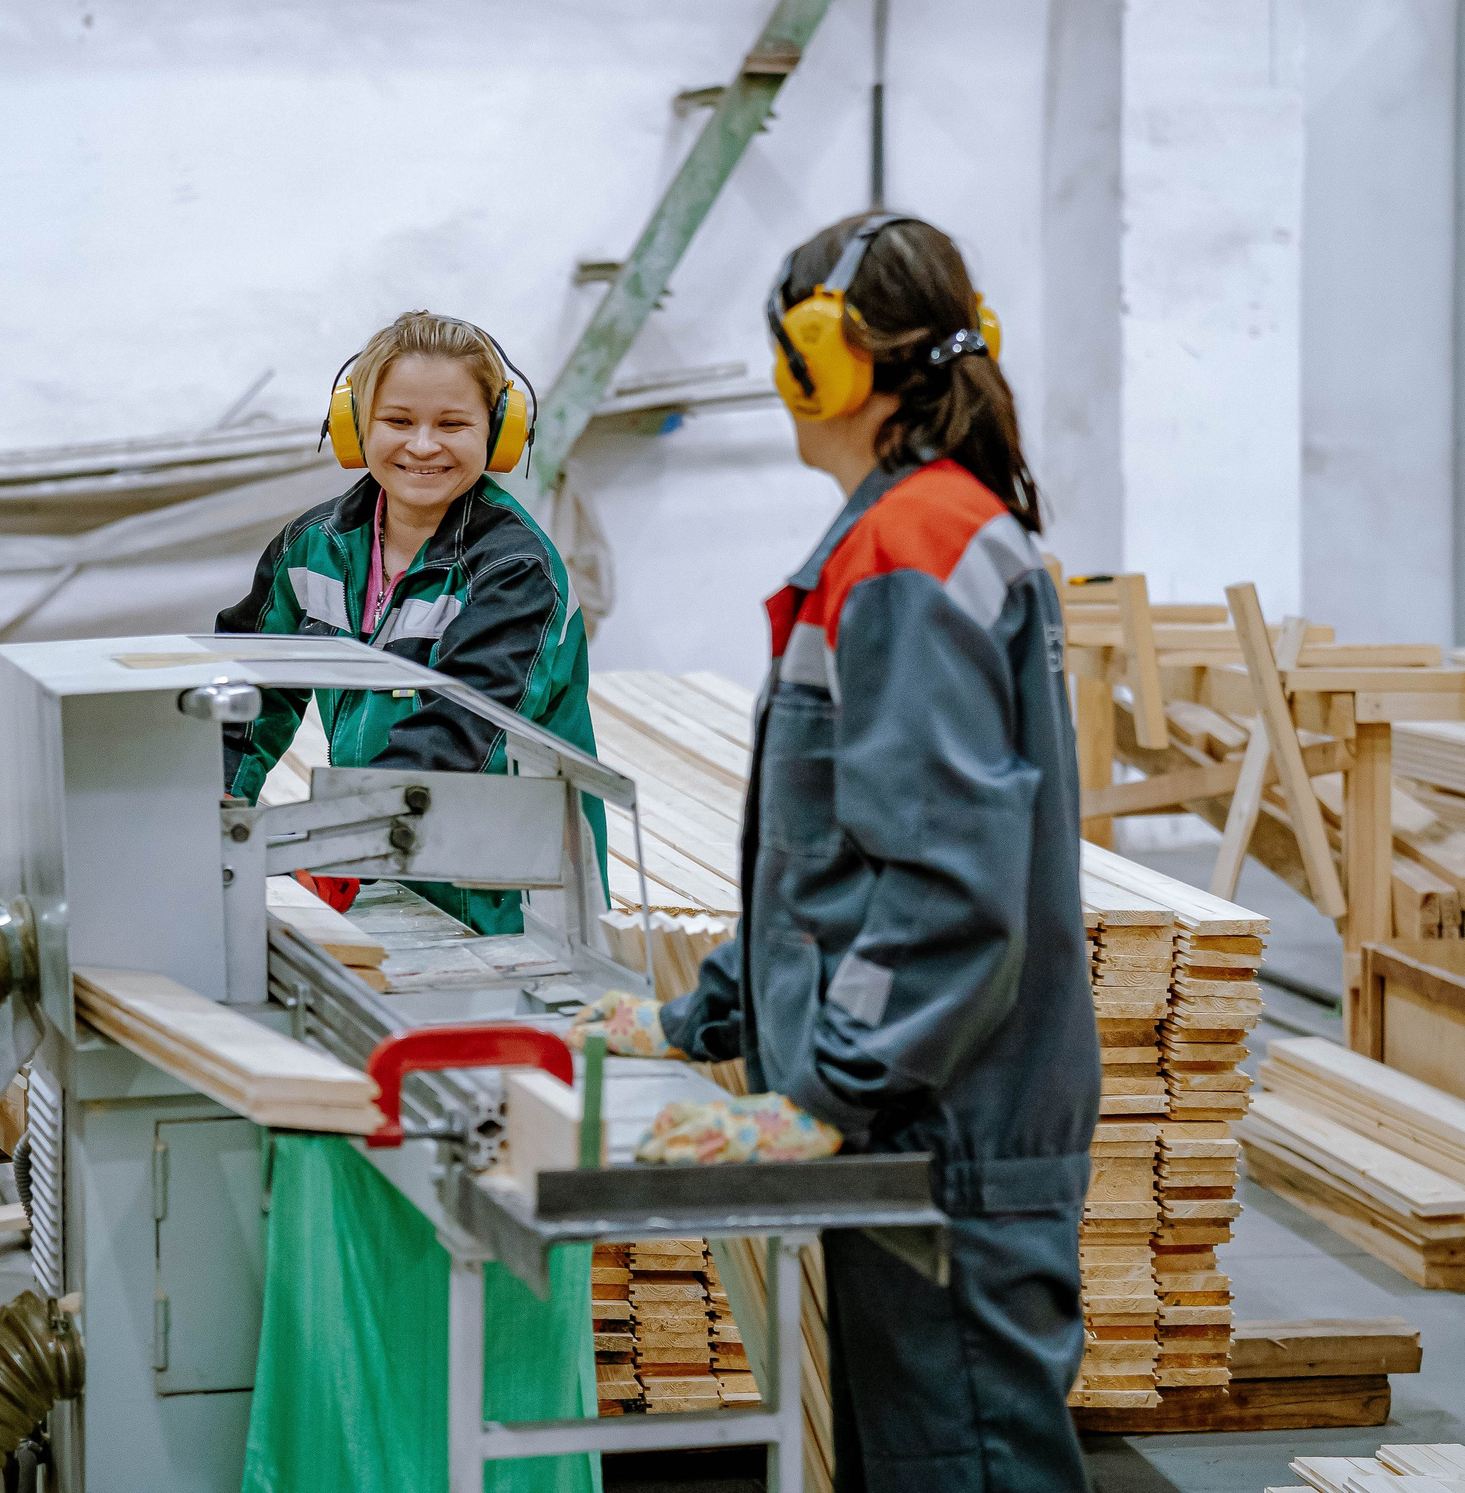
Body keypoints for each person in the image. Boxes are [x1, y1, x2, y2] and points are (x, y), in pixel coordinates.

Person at [572, 214, 1101, 1492]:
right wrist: (703, 1018)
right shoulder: (910, 533)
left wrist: (826, 1094)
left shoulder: (914, 548)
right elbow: (834, 858)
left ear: (829, 361)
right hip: (924, 1111)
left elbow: (940, 892)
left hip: (944, 1126)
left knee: (964, 1465)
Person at [215, 309, 603, 932]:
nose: (423, 445)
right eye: (398, 421)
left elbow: (461, 732)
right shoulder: (313, 549)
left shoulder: (514, 570)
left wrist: (332, 845)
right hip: (381, 868)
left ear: (498, 433)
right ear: (355, 427)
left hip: (509, 898)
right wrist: (215, 808)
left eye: (452, 424)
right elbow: (244, 696)